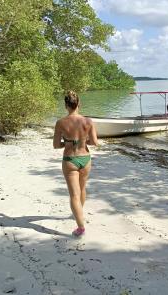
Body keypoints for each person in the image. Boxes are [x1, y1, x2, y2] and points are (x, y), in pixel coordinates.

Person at [53, 91, 98, 237]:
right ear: (79, 104)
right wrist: (83, 141)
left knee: (74, 195)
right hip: (85, 158)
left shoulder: (60, 123)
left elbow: (56, 145)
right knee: (82, 188)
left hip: (70, 159)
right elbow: (95, 143)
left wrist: (67, 143)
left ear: (66, 105)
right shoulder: (88, 121)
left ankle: (81, 228)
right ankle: (79, 213)